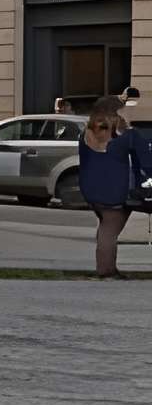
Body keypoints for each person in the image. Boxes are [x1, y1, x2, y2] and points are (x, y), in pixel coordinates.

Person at [75, 102, 146, 278]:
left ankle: (107, 268)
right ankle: (106, 271)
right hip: (116, 190)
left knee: (105, 226)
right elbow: (147, 162)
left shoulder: (85, 135)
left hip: (90, 188)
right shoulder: (128, 136)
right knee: (110, 228)